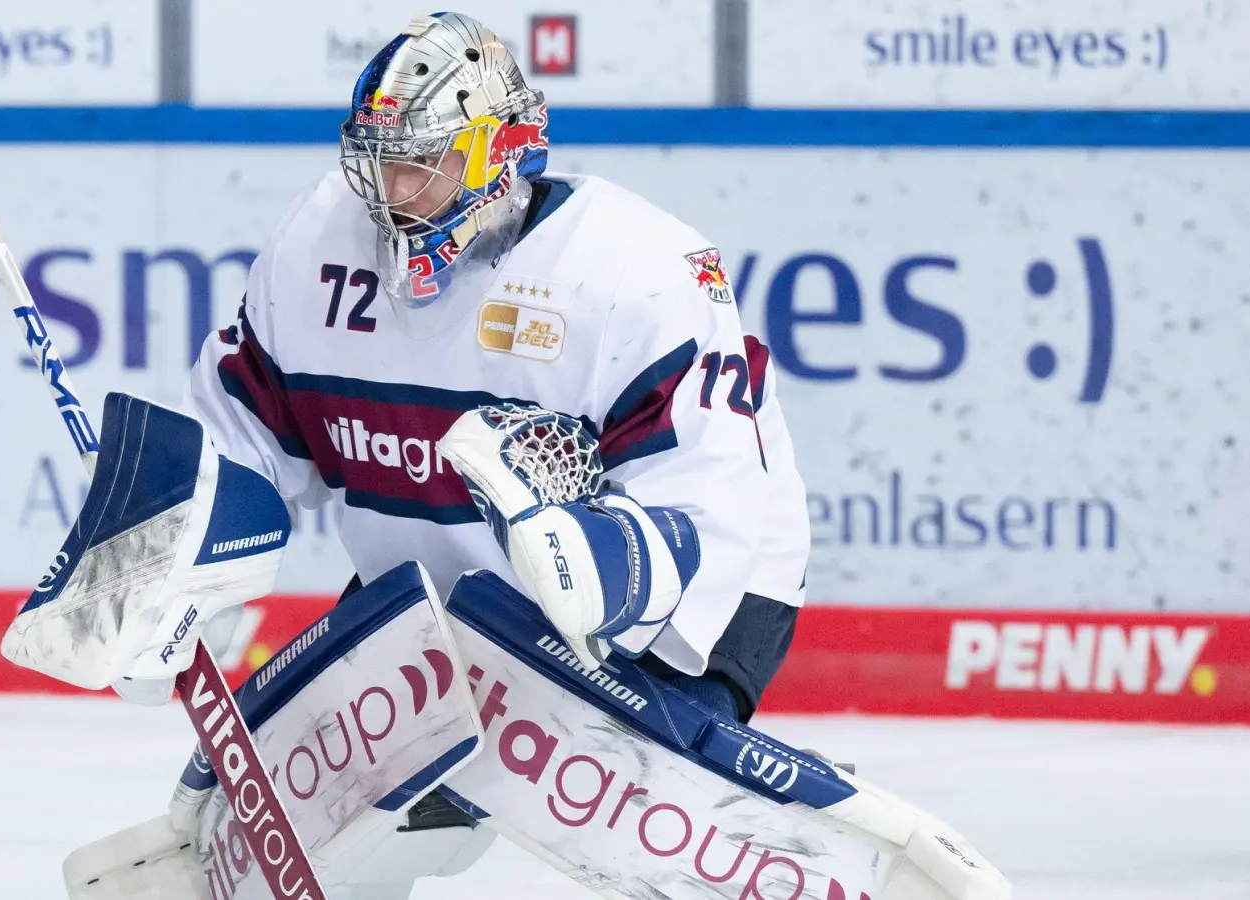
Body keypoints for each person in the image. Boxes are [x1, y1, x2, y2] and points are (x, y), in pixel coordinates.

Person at [184, 11, 809, 725]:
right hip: (442, 581)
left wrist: (595, 567)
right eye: (381, 158)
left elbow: (708, 496)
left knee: (609, 808)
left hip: (689, 602)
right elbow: (244, 429)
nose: (394, 189)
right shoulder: (316, 243)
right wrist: (188, 555)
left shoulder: (632, 271)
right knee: (323, 780)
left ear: (499, 153)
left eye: (422, 162)